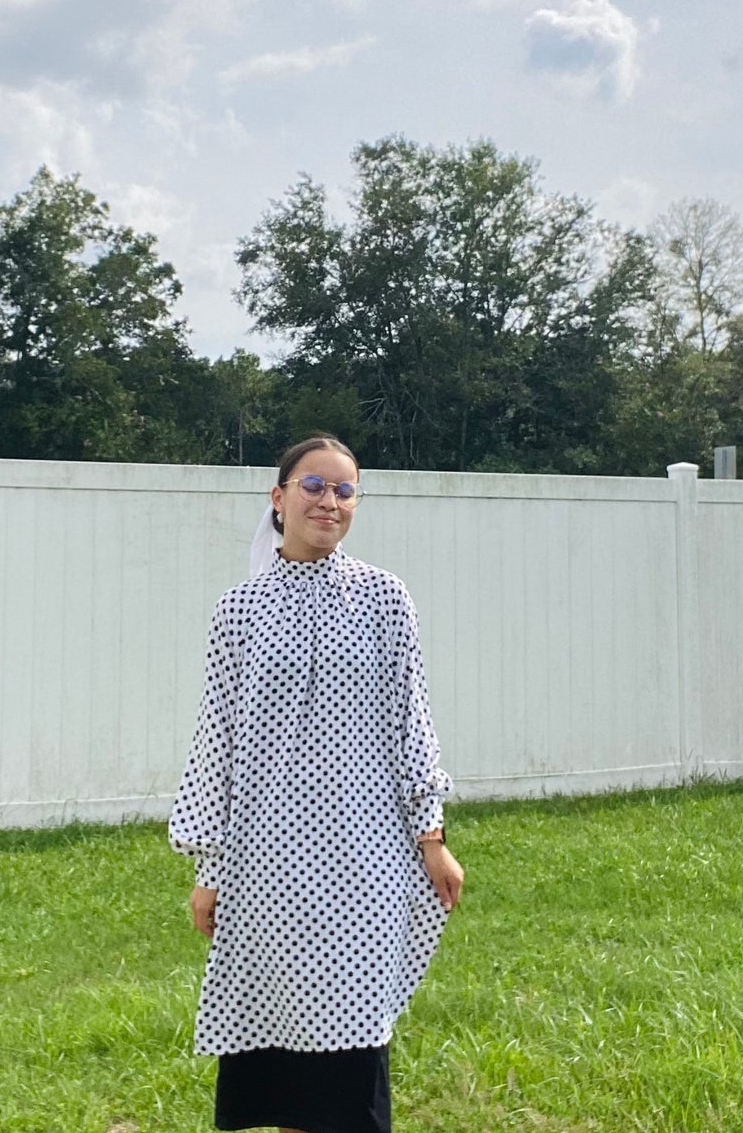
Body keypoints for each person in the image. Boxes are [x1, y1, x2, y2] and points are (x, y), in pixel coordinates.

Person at [169, 434, 464, 1133]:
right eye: (312, 485)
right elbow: (218, 741)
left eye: (343, 489)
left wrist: (432, 835)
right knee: (282, 1063)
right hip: (266, 866)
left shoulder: (384, 598)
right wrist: (211, 867)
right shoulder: (237, 610)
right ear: (278, 498)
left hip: (364, 861)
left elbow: (408, 717)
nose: (328, 501)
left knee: (352, 1049)